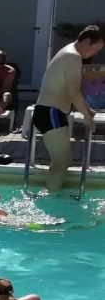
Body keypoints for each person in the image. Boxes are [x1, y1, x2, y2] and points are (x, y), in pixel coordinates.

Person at [32, 25, 104, 192]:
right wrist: (88, 117)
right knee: (61, 160)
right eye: (96, 49)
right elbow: (74, 92)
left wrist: (87, 109)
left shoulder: (69, 52)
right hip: (50, 112)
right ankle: (49, 197)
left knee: (64, 159)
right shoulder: (73, 56)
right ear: (87, 41)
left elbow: (70, 91)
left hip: (53, 112)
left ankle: (50, 193)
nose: (95, 54)